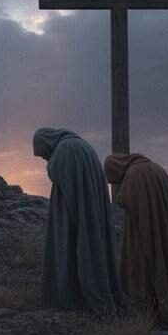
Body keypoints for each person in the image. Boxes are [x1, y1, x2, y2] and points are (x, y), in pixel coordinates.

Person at [104, 153, 168, 330]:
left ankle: (151, 314)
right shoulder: (155, 169)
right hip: (164, 229)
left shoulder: (135, 174)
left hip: (144, 232)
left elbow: (125, 201)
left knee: (144, 268)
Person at [33, 128, 124, 315]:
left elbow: (60, 175)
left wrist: (75, 221)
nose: (46, 159)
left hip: (75, 213)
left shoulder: (65, 149)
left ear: (46, 143)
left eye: (44, 155)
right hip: (87, 210)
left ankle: (74, 296)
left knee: (76, 251)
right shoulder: (81, 146)